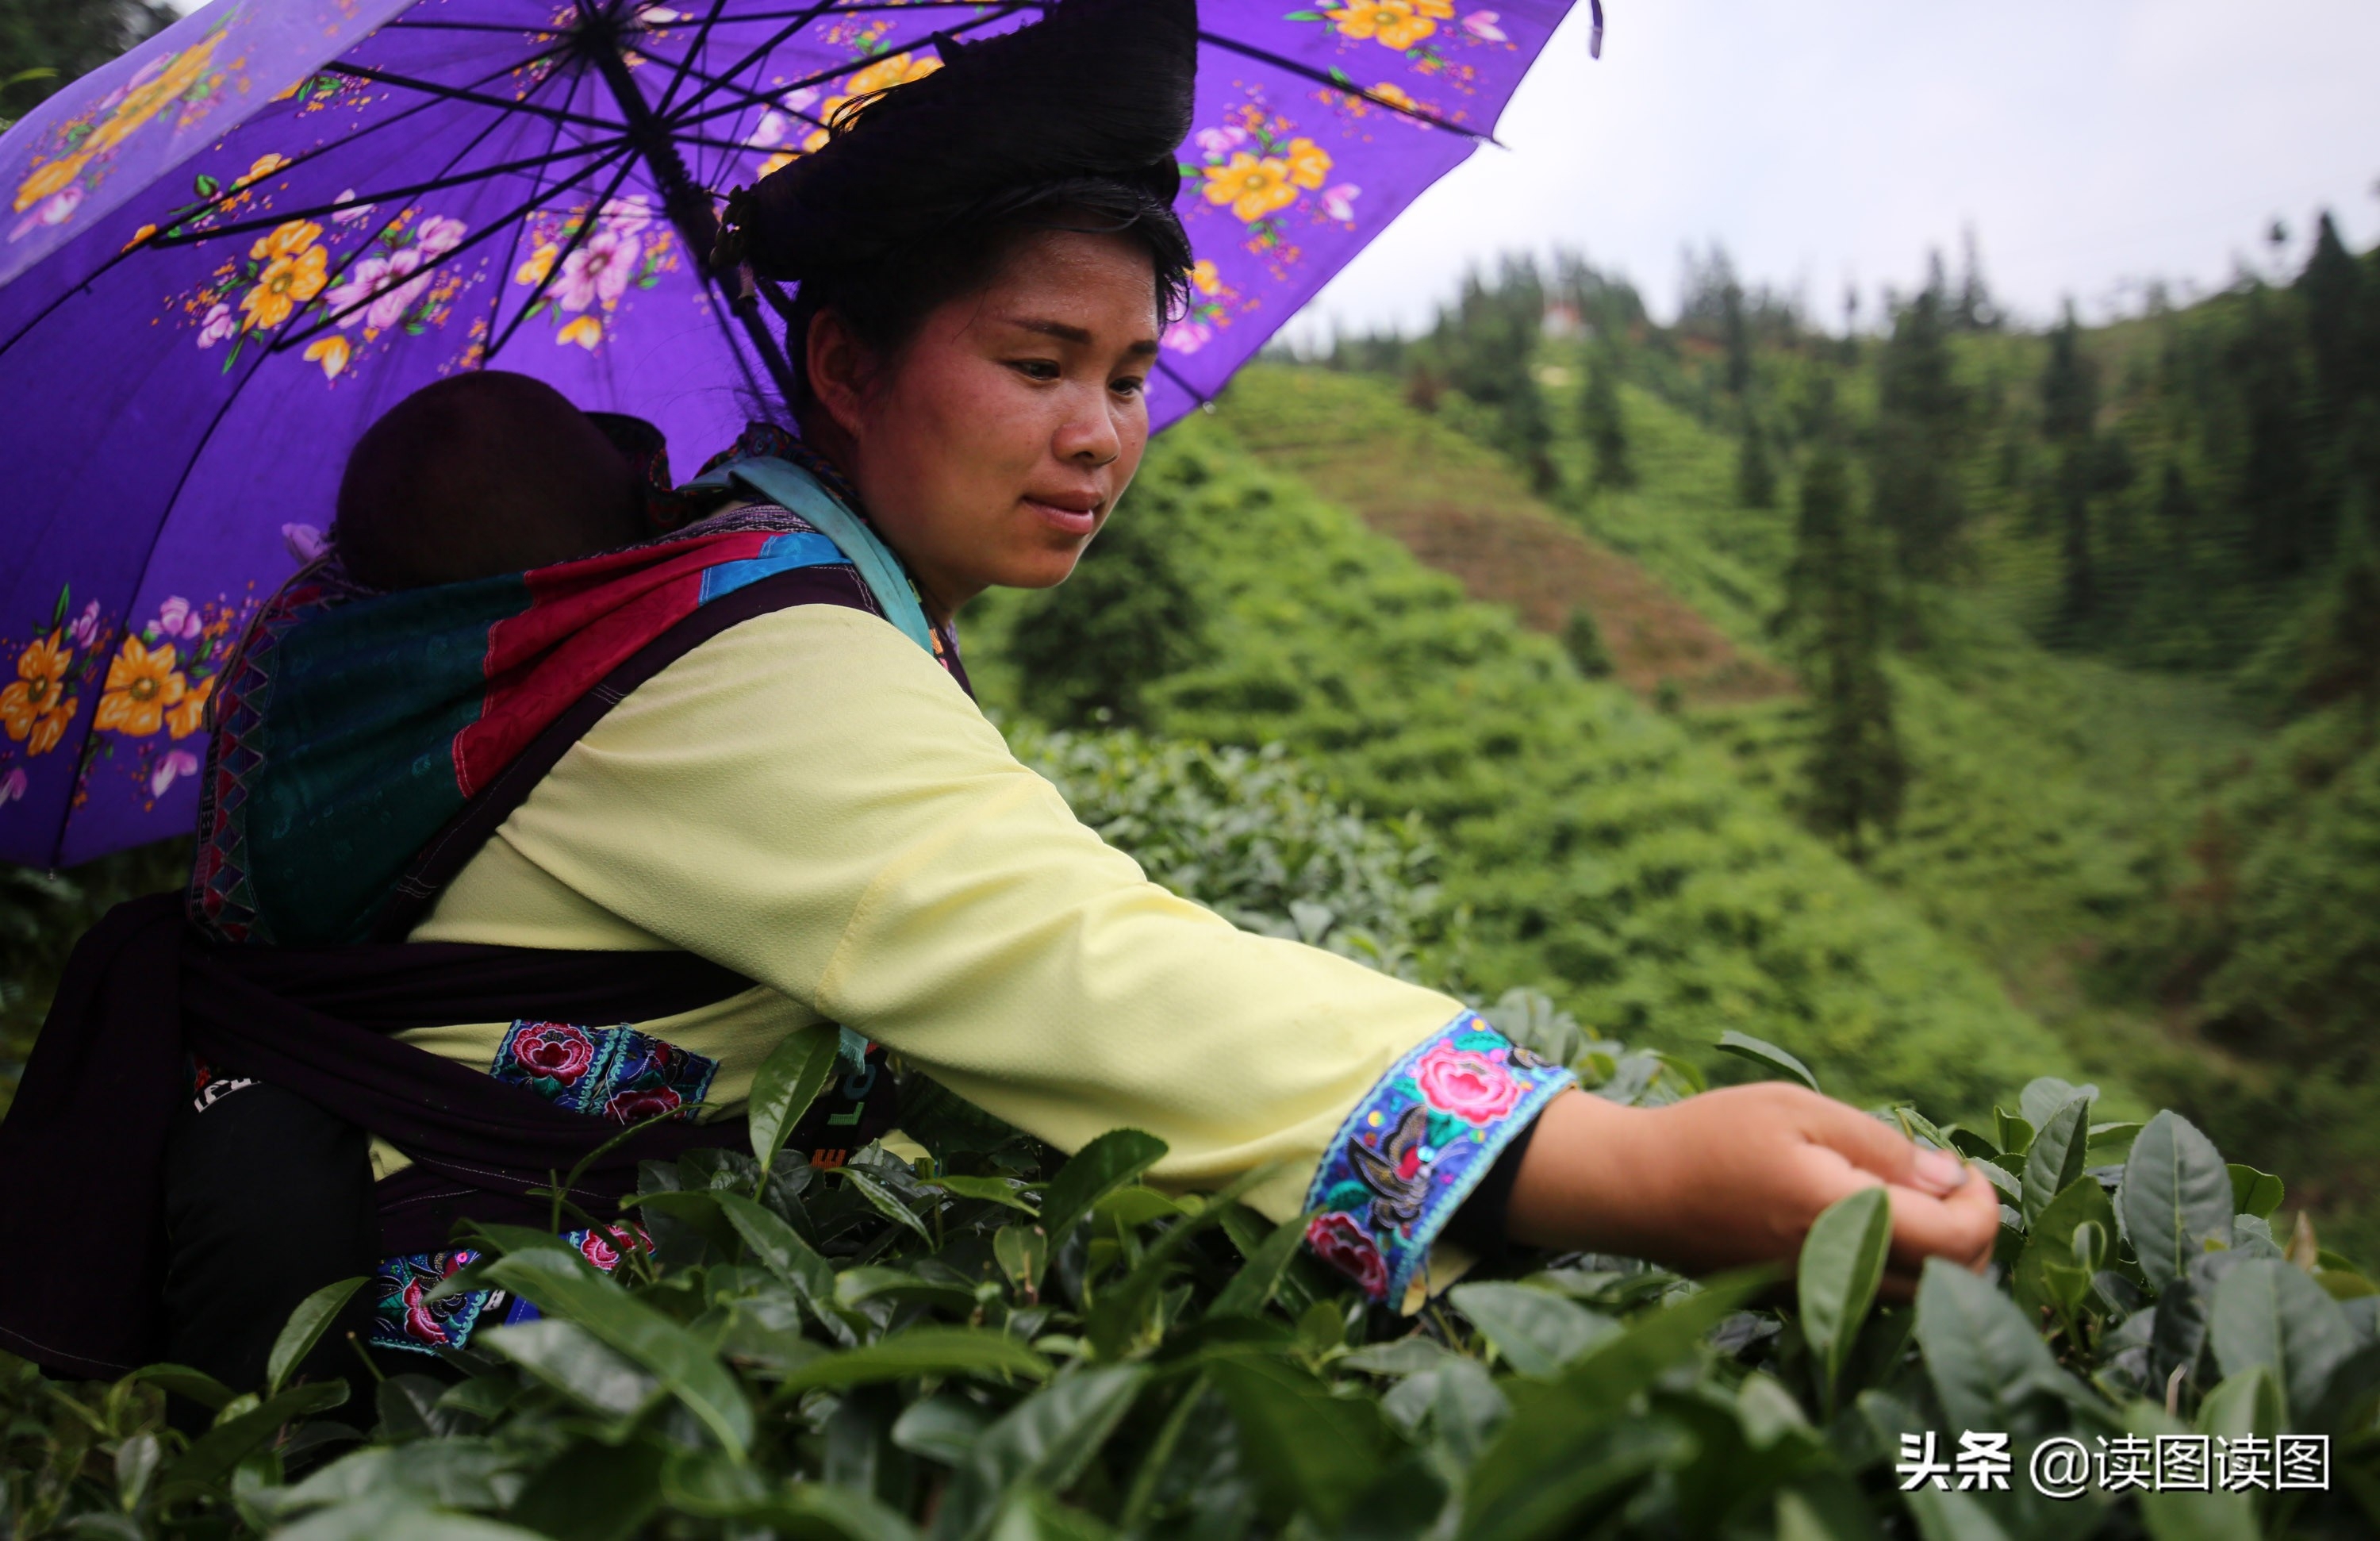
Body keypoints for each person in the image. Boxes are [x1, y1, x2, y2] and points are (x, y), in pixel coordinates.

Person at [0, 0, 1994, 1390]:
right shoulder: (743, 658)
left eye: (1127, 374)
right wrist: (1622, 1159)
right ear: (847, 370)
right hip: (476, 1387)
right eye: (1038, 359)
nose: (1100, 436)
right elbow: (1088, 966)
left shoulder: (768, 606)